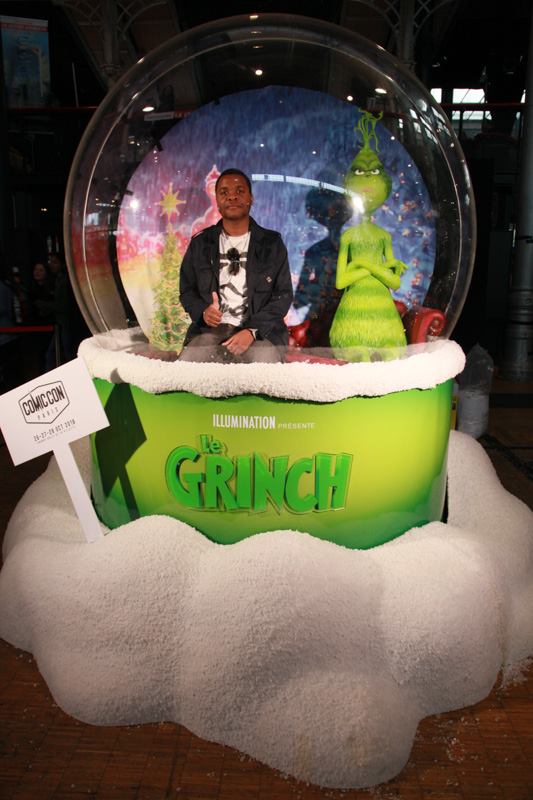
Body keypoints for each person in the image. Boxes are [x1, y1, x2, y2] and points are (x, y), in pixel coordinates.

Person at [179, 168, 293, 363]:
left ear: (251, 198)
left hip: (260, 334)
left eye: (239, 191)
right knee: (189, 364)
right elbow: (187, 291)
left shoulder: (272, 243)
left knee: (265, 365)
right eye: (224, 192)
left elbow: (283, 296)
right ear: (217, 200)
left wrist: (252, 330)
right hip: (210, 332)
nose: (232, 196)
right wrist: (203, 311)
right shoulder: (200, 243)